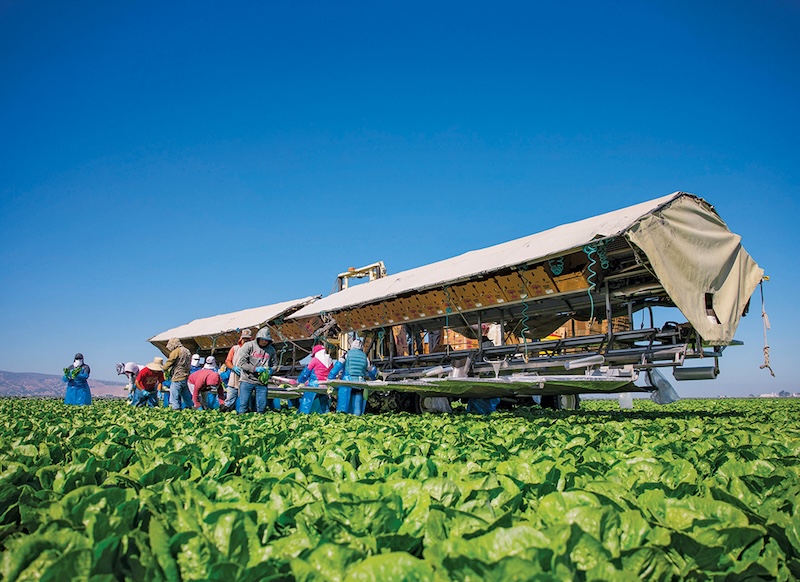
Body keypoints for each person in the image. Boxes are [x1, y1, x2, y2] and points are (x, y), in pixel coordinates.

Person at [329, 339, 376, 415]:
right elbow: (371, 371)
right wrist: (374, 379)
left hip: (347, 382)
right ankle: (357, 422)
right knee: (357, 407)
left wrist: (330, 377)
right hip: (360, 383)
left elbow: (338, 366)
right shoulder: (365, 357)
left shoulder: (347, 354)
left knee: (343, 407)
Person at [235, 327, 276, 414]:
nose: (264, 342)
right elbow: (241, 363)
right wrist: (254, 369)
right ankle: (241, 420)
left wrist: (271, 371)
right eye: (263, 339)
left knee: (262, 406)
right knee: (244, 404)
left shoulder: (271, 350)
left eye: (266, 340)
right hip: (247, 380)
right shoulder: (249, 346)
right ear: (258, 338)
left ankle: (260, 419)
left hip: (261, 382)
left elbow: (274, 365)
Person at [296, 344, 334, 414]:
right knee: (324, 404)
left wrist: (299, 381)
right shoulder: (330, 360)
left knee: (306, 402)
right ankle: (326, 415)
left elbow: (306, 373)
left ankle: (302, 415)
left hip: (314, 384)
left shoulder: (314, 360)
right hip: (326, 385)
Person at [222, 329, 252, 412]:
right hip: (234, 377)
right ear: (241, 338)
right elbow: (227, 361)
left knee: (245, 399)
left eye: (248, 339)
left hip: (246, 378)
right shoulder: (235, 348)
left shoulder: (252, 350)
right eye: (244, 339)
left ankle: (245, 414)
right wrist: (233, 367)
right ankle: (225, 413)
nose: (245, 341)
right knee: (230, 398)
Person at [163, 338, 193, 410]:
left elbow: (170, 361)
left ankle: (175, 409)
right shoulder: (187, 351)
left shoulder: (176, 351)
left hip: (177, 376)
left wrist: (163, 368)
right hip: (186, 376)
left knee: (174, 396)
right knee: (186, 396)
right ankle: (190, 408)